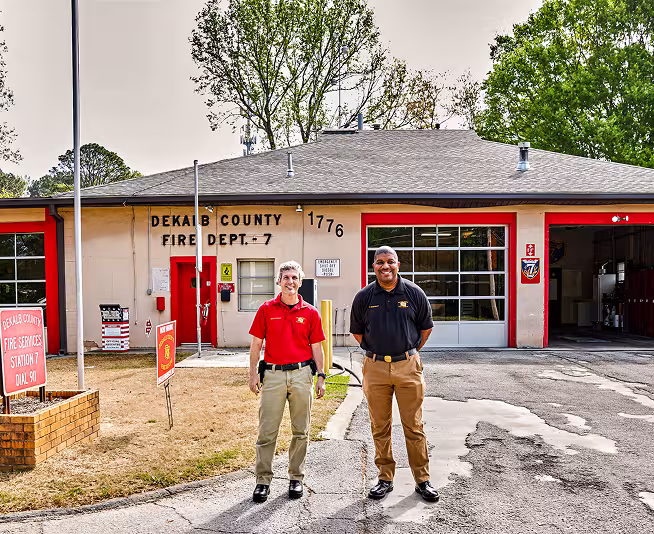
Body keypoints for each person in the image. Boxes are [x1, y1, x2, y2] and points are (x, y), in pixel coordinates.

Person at [350, 245, 439, 502]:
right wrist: (378, 354)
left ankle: (422, 480)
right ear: (373, 266)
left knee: (414, 426)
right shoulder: (364, 296)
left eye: (390, 261)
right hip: (375, 368)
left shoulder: (414, 293)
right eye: (380, 262)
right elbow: (358, 332)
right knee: (380, 426)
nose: (385, 266)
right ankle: (385, 478)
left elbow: (425, 329)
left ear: (398, 264)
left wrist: (407, 352)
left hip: (407, 366)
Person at [248, 260, 327, 503]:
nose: (290, 282)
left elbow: (317, 347)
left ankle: (296, 478)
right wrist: (252, 374)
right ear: (278, 282)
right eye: (286, 278)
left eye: (294, 278)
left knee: (300, 430)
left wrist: (321, 376)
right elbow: (256, 345)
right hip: (272, 375)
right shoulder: (266, 309)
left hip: (302, 375)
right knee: (267, 431)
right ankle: (263, 480)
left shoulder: (311, 313)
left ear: (300, 282)